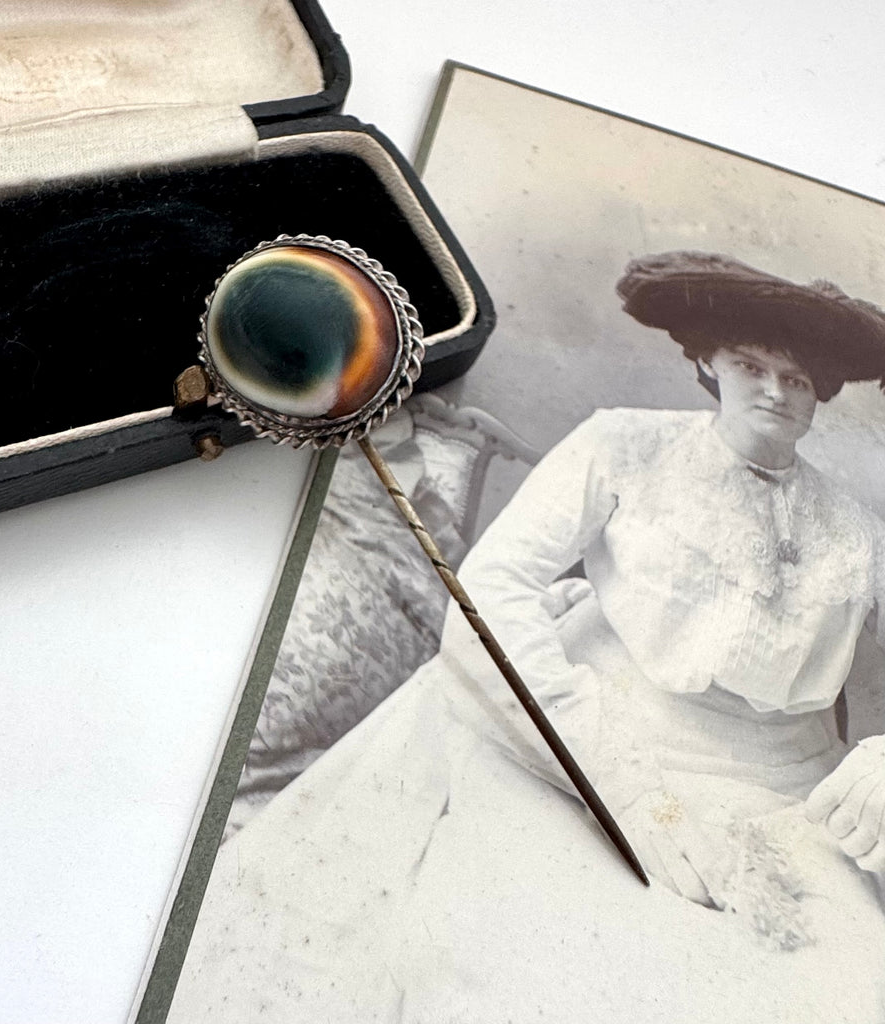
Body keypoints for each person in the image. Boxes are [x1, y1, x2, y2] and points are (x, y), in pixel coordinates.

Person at [166, 252, 885, 1024]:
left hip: (784, 794)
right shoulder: (626, 447)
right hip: (593, 749)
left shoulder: (857, 527)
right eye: (752, 365)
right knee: (573, 970)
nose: (776, 391)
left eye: (799, 380)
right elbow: (493, 590)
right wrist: (616, 780)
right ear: (709, 361)